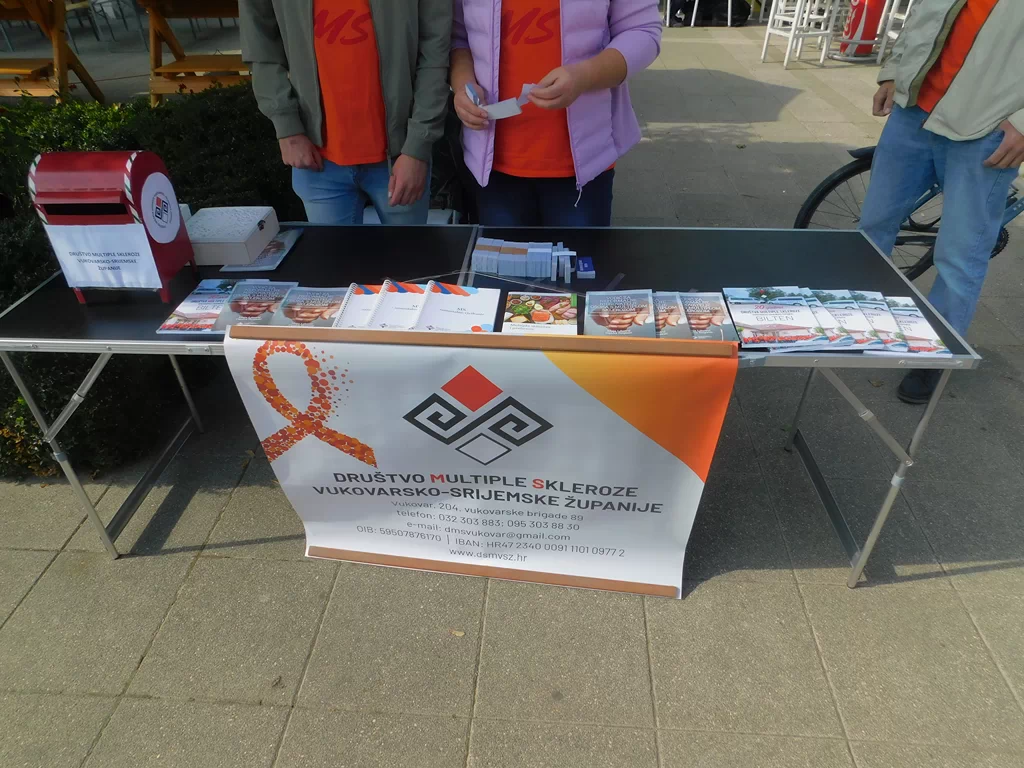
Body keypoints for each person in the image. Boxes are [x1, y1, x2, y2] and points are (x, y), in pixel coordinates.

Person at [859, 0, 1024, 404]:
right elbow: (921, 14)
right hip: (913, 111)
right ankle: (855, 317)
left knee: (959, 253)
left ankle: (936, 353)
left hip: (985, 126)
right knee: (872, 227)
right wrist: (894, 73)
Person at [450, 0, 661, 227]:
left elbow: (642, 30)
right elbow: (459, 37)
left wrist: (584, 76)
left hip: (583, 166)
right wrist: (463, 85)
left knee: (580, 251)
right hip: (492, 167)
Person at [239, 0, 452, 225]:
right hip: (317, 159)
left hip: (401, 154)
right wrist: (287, 127)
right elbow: (260, 43)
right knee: (333, 251)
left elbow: (435, 52)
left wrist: (418, 146)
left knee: (409, 249)